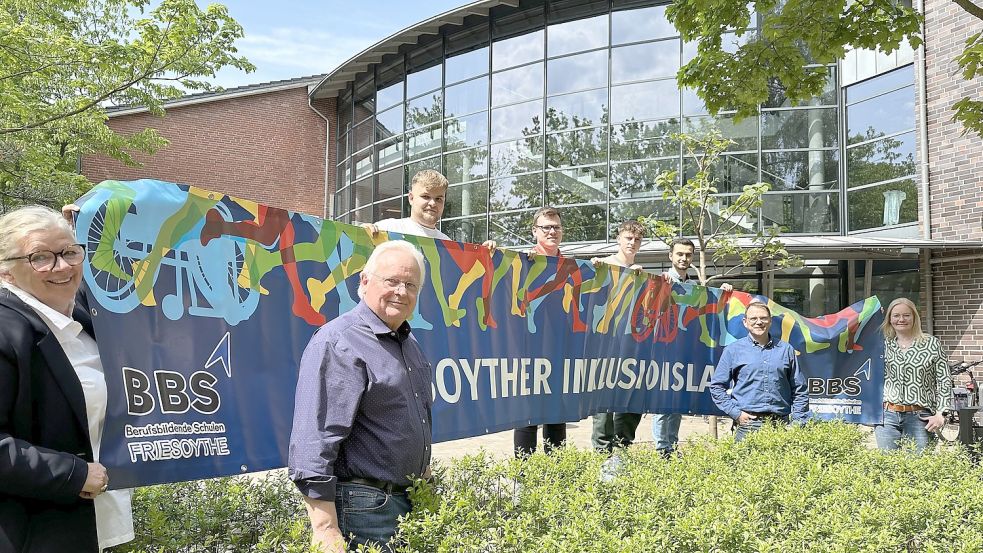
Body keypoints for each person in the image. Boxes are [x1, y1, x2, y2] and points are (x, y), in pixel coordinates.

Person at [0, 206, 133, 552]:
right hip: (31, 534)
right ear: (7, 272)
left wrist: (93, 226)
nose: (62, 267)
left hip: (94, 525)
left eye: (70, 252)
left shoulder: (80, 317)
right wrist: (71, 474)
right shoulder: (5, 331)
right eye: (39, 257)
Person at [288, 240, 432, 552]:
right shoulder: (340, 341)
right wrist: (325, 529)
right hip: (365, 508)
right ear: (364, 282)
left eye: (410, 285)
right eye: (391, 281)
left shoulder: (408, 343)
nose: (401, 292)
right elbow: (315, 438)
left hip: (409, 501)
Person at [651, 238, 733, 456]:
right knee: (663, 403)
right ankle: (662, 450)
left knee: (677, 402)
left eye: (688, 255)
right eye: (679, 254)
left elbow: (707, 309)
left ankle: (671, 448)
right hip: (663, 351)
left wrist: (723, 293)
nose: (683, 258)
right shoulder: (662, 280)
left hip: (684, 351)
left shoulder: (694, 287)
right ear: (670, 256)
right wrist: (661, 287)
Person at [709, 301, 810, 441]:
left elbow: (800, 389)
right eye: (753, 318)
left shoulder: (786, 350)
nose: (759, 322)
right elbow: (716, 386)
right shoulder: (733, 351)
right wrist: (736, 413)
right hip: (747, 425)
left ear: (770, 321)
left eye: (763, 318)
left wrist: (798, 422)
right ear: (745, 322)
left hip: (781, 425)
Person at [513, 206, 567, 456]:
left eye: (556, 227)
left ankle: (555, 478)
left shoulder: (570, 266)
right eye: (546, 227)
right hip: (529, 348)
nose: (552, 231)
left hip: (560, 348)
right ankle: (523, 478)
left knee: (557, 413)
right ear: (535, 231)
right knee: (527, 415)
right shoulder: (521, 261)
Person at [589, 221, 645, 452]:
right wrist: (595, 270)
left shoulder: (641, 272)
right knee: (604, 402)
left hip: (631, 345)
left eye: (636, 240)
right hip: (605, 344)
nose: (632, 243)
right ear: (618, 239)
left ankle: (622, 451)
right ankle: (602, 454)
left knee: (630, 399)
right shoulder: (604, 266)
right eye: (628, 238)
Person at [874, 297, 952, 452]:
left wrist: (940, 414)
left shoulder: (931, 344)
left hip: (920, 417)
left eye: (906, 315)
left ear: (914, 317)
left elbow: (944, 381)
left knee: (918, 470)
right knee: (887, 467)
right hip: (887, 416)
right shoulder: (882, 344)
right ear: (889, 318)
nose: (901, 319)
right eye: (896, 315)